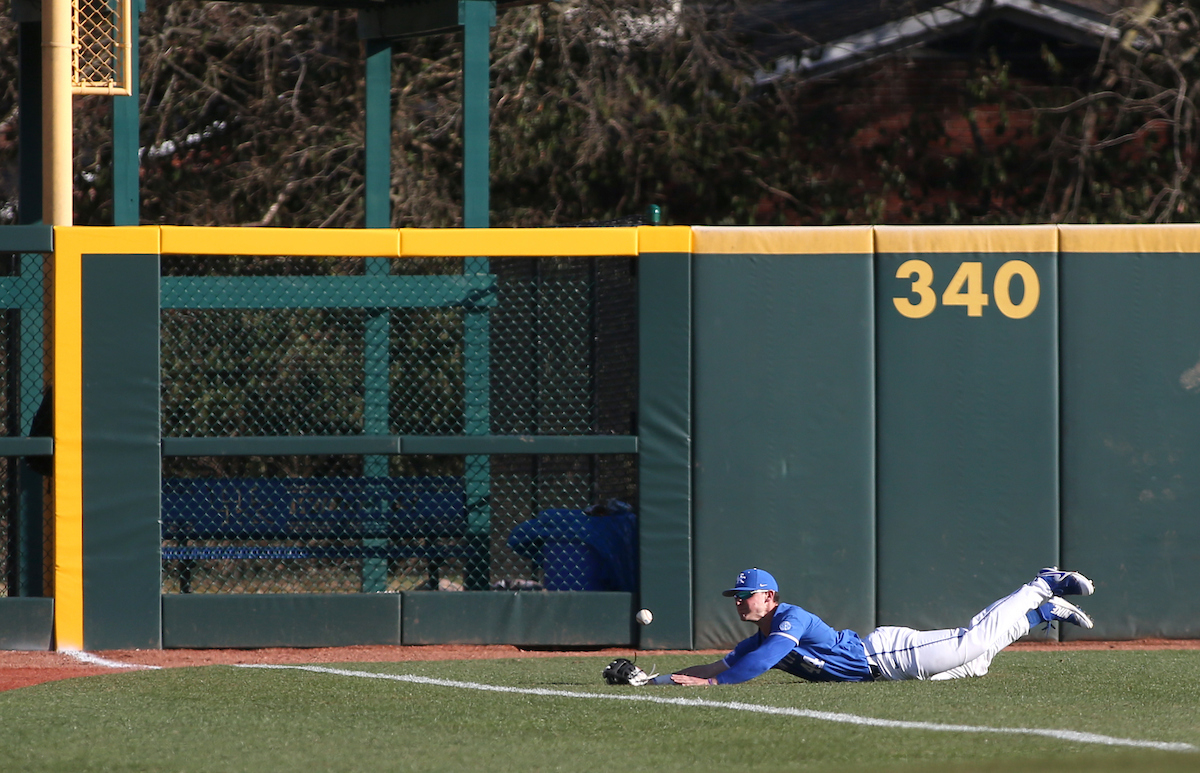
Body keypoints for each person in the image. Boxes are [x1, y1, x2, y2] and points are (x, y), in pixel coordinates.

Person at [655, 566, 1095, 685]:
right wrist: (650, 681)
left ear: (769, 596)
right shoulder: (761, 635)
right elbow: (718, 665)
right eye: (736, 598)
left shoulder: (790, 618)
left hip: (882, 654)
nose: (739, 603)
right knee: (975, 664)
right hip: (879, 667)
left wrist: (716, 686)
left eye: (745, 595)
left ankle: (1041, 584)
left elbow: (763, 661)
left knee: (969, 641)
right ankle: (1040, 614)